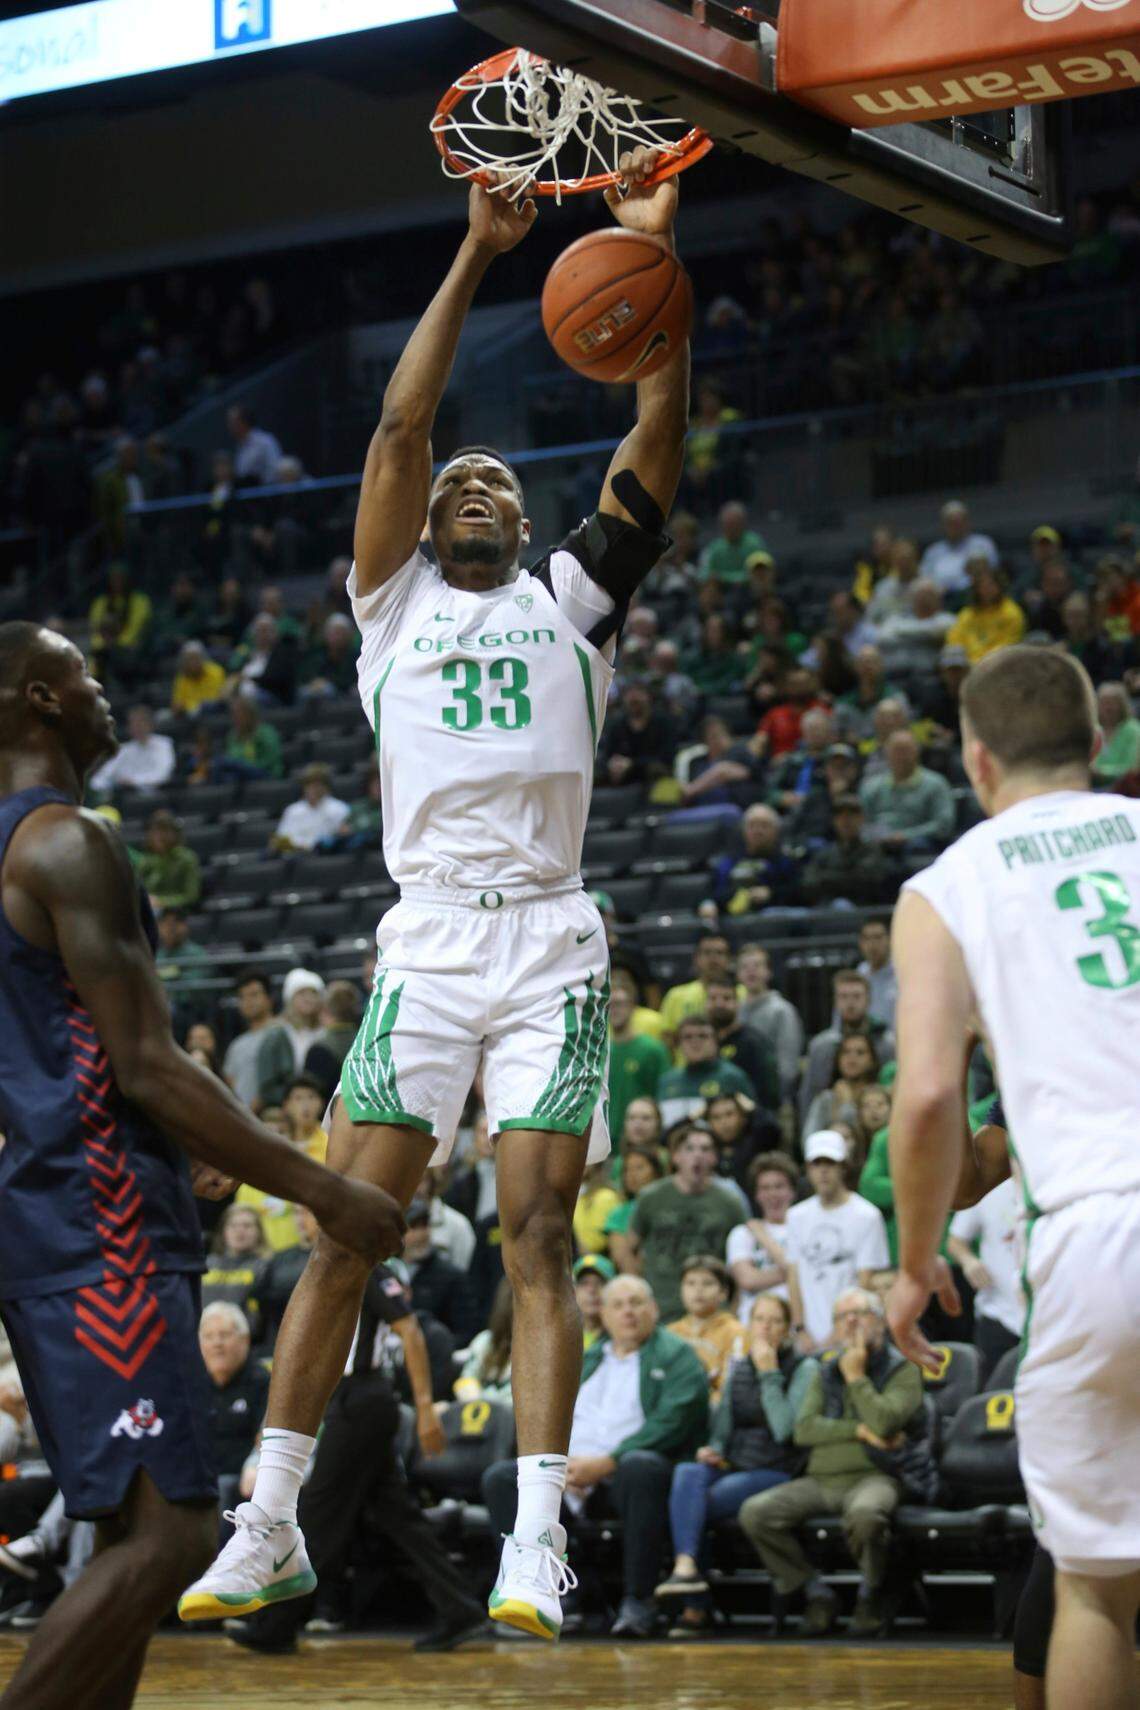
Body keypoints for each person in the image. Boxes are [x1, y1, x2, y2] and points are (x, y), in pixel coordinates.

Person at [181, 152, 689, 1645]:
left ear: (525, 531)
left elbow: (657, 430)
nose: (473, 480)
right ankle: (269, 1518)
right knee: (347, 1219)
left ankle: (538, 1540)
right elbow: (407, 417)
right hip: (429, 942)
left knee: (537, 1231)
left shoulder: (574, 600)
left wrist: (657, 277)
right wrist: (480, 253)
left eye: (500, 482)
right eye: (456, 482)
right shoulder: (389, 601)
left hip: (550, 938)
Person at [0, 620, 401, 1710]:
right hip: (105, 1222)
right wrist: (325, 1188)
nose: (103, 693)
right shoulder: (66, 841)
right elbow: (145, 1063)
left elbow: (64, 1048)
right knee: (174, 1537)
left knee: (131, 1531)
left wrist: (188, 1143)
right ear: (38, 699)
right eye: (84, 676)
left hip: (51, 1215)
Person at [887, 642, 1140, 1710]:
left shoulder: (949, 887)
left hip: (1100, 1234)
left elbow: (931, 1097)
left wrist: (912, 1263)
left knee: (1095, 1593)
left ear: (976, 765)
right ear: (1096, 744)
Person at [222, 1258, 488, 1656]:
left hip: (363, 1399)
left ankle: (277, 1624)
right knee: (398, 1516)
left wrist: (426, 1407)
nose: (307, 1217)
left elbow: (409, 1330)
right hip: (345, 1399)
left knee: (317, 1512)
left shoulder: (367, 1268)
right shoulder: (327, 1268)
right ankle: (461, 1609)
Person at [481, 1275, 709, 1640]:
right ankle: (550, 1594)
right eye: (617, 1305)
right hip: (570, 1476)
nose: (628, 1312)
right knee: (501, 1477)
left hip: (625, 1478)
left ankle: (638, 1601)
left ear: (654, 1309)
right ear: (602, 1313)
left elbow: (674, 1420)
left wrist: (608, 1462)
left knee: (642, 1466)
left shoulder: (677, 1355)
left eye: (636, 1303)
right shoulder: (586, 1357)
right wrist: (561, 1466)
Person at [739, 1288, 924, 1637]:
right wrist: (858, 1429)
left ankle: (871, 1595)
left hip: (876, 1475)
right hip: (820, 1480)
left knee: (867, 1515)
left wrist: (856, 1376)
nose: (851, 1322)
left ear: (880, 1321)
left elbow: (885, 1421)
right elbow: (804, 1429)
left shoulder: (904, 1370)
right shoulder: (823, 1372)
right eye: (842, 1317)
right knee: (756, 1513)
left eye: (860, 1313)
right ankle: (814, 1591)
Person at [656, 1294, 816, 1634]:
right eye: (759, 1320)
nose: (766, 1328)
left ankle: (696, 1608)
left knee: (699, 1503)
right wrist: (712, 1450)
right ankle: (686, 1568)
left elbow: (786, 1430)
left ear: (787, 1329)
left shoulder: (805, 1368)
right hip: (736, 1463)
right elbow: (722, 1430)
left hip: (779, 1469)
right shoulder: (739, 1368)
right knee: (686, 1473)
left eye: (775, 1321)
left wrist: (770, 1373)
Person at [785, 1132, 891, 1350]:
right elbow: (794, 1274)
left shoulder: (867, 1215)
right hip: (808, 1336)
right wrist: (799, 1329)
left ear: (843, 1167)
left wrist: (839, 1332)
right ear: (808, 1168)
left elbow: (867, 1281)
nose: (823, 1171)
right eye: (817, 1163)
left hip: (852, 1332)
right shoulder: (796, 1216)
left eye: (830, 1163)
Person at [628, 1124, 742, 1320]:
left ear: (714, 1157)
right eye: (689, 1148)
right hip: (660, 1310)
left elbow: (740, 1261)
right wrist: (638, 1295)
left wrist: (734, 1307)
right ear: (675, 1156)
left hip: (712, 1313)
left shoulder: (730, 1202)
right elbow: (629, 1248)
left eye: (705, 1149)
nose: (697, 1155)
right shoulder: (651, 1197)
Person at [947, 1175, 1025, 1385]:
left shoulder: (1054, 1182)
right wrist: (968, 1260)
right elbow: (955, 1240)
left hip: (1047, 1316)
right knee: (993, 1396)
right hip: (998, 1313)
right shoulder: (988, 1188)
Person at [799, 969, 895, 1125]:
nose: (850, 1003)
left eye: (856, 996)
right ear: (835, 1001)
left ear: (868, 1000)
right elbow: (810, 1094)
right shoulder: (822, 1046)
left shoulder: (885, 1044)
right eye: (843, 997)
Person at [199, 1304, 269, 1514]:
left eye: (224, 1335)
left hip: (242, 1481)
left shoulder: (262, 1381)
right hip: (199, 1479)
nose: (217, 1344)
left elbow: (266, 1436)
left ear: (245, 1340)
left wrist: (256, 1464)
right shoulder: (191, 1384)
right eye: (209, 1336)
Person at [859, 731, 956, 856]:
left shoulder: (936, 784)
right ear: (886, 753)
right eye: (896, 751)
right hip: (878, 847)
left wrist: (906, 836)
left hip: (919, 846)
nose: (900, 756)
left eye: (905, 751)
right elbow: (862, 824)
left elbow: (943, 825)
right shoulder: (871, 787)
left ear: (917, 752)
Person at [727, 1151, 797, 1323]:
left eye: (779, 1186)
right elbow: (748, 1280)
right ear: (757, 1195)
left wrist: (763, 1237)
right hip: (751, 1323)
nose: (773, 1194)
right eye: (765, 1188)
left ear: (792, 1191)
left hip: (795, 1322)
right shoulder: (742, 1233)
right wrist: (795, 1273)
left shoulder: (805, 1229)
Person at [657, 1013, 756, 1129]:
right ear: (679, 1044)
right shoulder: (667, 1081)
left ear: (716, 1040)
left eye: (703, 1036)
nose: (695, 1042)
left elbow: (752, 1120)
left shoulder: (732, 1077)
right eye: (688, 1037)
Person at [665, 1255, 741, 1402]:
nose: (698, 1290)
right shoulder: (669, 1333)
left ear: (723, 1293)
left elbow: (731, 1386)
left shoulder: (735, 1332)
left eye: (708, 1283)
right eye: (690, 1283)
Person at [608, 975, 671, 1150]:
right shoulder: (600, 1053)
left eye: (619, 1004)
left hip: (643, 1143)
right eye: (609, 1004)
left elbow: (663, 1095)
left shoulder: (653, 1049)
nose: (614, 1010)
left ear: (633, 1007)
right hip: (607, 1143)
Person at [736, 944, 803, 1103]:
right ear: (738, 974)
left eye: (757, 965)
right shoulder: (736, 1011)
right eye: (745, 967)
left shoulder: (782, 1010)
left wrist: (775, 1097)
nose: (751, 971)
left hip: (773, 1101)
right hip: (739, 1102)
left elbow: (788, 1066)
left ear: (768, 972)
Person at [801, 795, 891, 908]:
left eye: (851, 814)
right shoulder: (826, 852)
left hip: (862, 909)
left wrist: (825, 879)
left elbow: (863, 882)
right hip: (824, 909)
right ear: (834, 821)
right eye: (840, 815)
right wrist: (841, 878)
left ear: (861, 818)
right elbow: (808, 882)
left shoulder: (871, 849)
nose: (845, 820)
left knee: (840, 905)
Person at [255, 969, 326, 1109]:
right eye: (301, 993)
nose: (308, 998)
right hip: (284, 1110)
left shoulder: (325, 1033)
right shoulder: (275, 1035)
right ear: (290, 998)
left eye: (313, 993)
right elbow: (267, 1087)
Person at [801, 1034, 881, 1150]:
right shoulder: (826, 1099)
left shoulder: (879, 1097)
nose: (852, 1058)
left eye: (860, 1052)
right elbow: (808, 1141)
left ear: (872, 1060)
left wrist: (847, 1104)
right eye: (846, 1052)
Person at [659, 933, 743, 1041]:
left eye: (720, 953)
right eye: (707, 953)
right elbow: (668, 1039)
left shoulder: (743, 993)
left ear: (729, 960)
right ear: (696, 959)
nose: (713, 958)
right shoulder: (675, 995)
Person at [604, 1141, 666, 1276]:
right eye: (627, 1169)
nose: (632, 1174)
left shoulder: (670, 1206)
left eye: (639, 1167)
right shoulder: (619, 1214)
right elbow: (621, 1257)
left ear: (656, 1172)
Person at [946, 563, 1027, 663]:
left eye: (991, 585)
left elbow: (1008, 645)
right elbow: (954, 639)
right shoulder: (968, 613)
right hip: (966, 664)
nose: (987, 589)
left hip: (996, 664)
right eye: (982, 586)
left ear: (999, 586)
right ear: (976, 589)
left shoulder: (1011, 612)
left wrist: (981, 661)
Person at [88, 705, 174, 796]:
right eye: (133, 723)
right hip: (123, 794)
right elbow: (102, 777)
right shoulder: (124, 749)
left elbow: (163, 774)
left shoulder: (164, 744)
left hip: (152, 796)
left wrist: (133, 781)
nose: (136, 727)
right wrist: (102, 789)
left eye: (140, 723)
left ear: (150, 725)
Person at [918, 499, 998, 596]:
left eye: (959, 522)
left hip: (973, 596)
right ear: (944, 525)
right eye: (951, 523)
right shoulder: (933, 551)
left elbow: (992, 573)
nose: (956, 526)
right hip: (941, 599)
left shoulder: (983, 544)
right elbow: (924, 578)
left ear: (967, 522)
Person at [221, 972, 277, 1108]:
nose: (248, 1001)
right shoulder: (236, 1045)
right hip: (242, 1118)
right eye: (242, 997)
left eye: (254, 995)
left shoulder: (282, 1033)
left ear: (270, 998)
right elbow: (230, 1084)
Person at [271, 763, 350, 853]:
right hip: (295, 856)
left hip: (323, 856)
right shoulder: (292, 810)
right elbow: (279, 841)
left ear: (326, 787)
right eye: (308, 784)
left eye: (317, 785)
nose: (312, 789)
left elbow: (341, 839)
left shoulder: (339, 809)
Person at [132, 810, 201, 913]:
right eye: (154, 831)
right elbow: (136, 889)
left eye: (163, 831)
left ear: (174, 834)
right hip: (149, 910)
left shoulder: (186, 858)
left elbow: (191, 896)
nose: (158, 836)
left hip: (176, 913)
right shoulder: (146, 859)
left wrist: (162, 901)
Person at [1091, 681, 1140, 787]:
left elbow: (1132, 769)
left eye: (1112, 703)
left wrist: (1101, 773)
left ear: (1122, 705)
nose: (1108, 708)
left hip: (1125, 789)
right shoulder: (1093, 729)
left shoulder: (1133, 730)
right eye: (1104, 703)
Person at [855, 918, 897, 1032]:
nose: (872, 944)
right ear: (860, 943)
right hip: (862, 1041)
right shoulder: (857, 976)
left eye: (878, 937)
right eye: (867, 938)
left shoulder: (902, 975)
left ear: (889, 939)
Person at [170, 642, 227, 717]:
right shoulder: (181, 677)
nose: (192, 663)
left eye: (195, 659)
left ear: (203, 659)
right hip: (188, 717)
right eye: (189, 660)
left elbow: (220, 698)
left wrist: (195, 707)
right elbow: (176, 705)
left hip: (212, 714)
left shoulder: (216, 671)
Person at [573, 1253, 613, 1351]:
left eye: (600, 1282)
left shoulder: (623, 1337)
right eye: (584, 1283)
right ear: (573, 1291)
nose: (591, 1290)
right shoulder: (562, 1337)